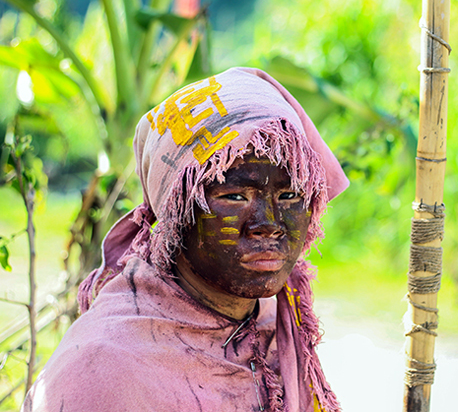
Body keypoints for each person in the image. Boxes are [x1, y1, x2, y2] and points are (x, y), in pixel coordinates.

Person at [21, 67, 349, 412]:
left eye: (290, 196)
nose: (269, 225)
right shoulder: (104, 369)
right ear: (177, 211)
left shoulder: (278, 325)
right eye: (236, 196)